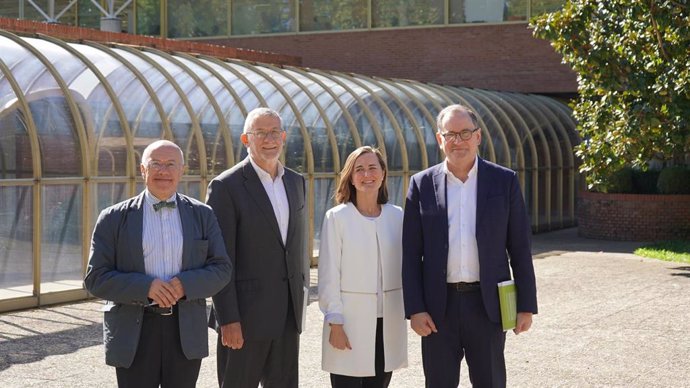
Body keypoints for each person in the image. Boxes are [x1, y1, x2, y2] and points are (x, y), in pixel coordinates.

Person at [402, 104, 538, 387]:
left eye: (465, 133)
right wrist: (415, 309)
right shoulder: (421, 185)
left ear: (478, 137)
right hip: (438, 310)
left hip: (488, 306)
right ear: (440, 140)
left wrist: (526, 305)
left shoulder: (504, 181)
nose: (457, 141)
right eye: (450, 134)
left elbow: (520, 247)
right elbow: (411, 255)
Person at [84, 140, 232, 388]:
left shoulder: (202, 214)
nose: (163, 171)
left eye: (170, 164)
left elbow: (221, 268)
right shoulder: (113, 218)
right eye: (156, 164)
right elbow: (95, 278)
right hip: (134, 331)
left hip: (184, 331)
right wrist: (146, 287)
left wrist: (184, 285)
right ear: (143, 170)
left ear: (182, 170)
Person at [206, 107, 308, 388]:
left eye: (275, 132)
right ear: (245, 139)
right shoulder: (226, 186)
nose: (269, 138)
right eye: (260, 133)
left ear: (284, 137)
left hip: (287, 316)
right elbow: (220, 259)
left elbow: (294, 250)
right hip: (244, 321)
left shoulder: (296, 182)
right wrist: (228, 319)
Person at [318, 146, 408, 388]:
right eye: (359, 169)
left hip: (388, 324)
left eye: (372, 168)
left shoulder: (397, 216)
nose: (367, 174)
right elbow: (328, 276)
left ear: (383, 174)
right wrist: (335, 323)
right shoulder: (337, 217)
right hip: (349, 323)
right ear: (350, 177)